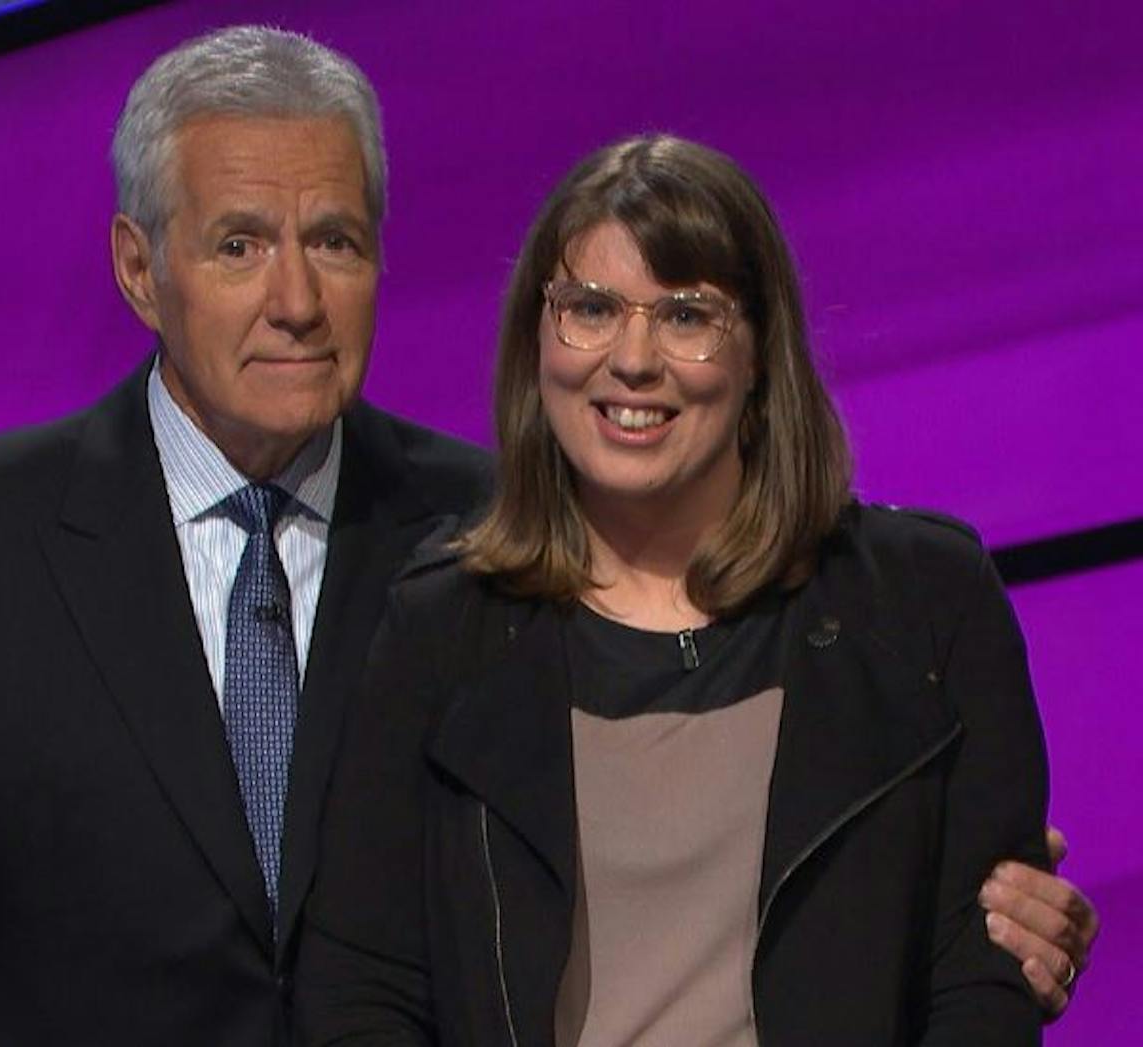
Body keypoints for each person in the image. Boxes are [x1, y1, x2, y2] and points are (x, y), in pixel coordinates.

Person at [0, 27, 1096, 1047]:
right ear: (139, 269)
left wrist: (977, 909)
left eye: (335, 240)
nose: (296, 298)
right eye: (238, 246)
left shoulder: (503, 532)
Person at [298, 134, 1096, 1046]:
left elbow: (986, 973)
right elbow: (361, 987)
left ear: (759, 358)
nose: (632, 360)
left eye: (685, 316)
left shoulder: (923, 602)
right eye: (590, 308)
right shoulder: (440, 626)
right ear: (537, 341)